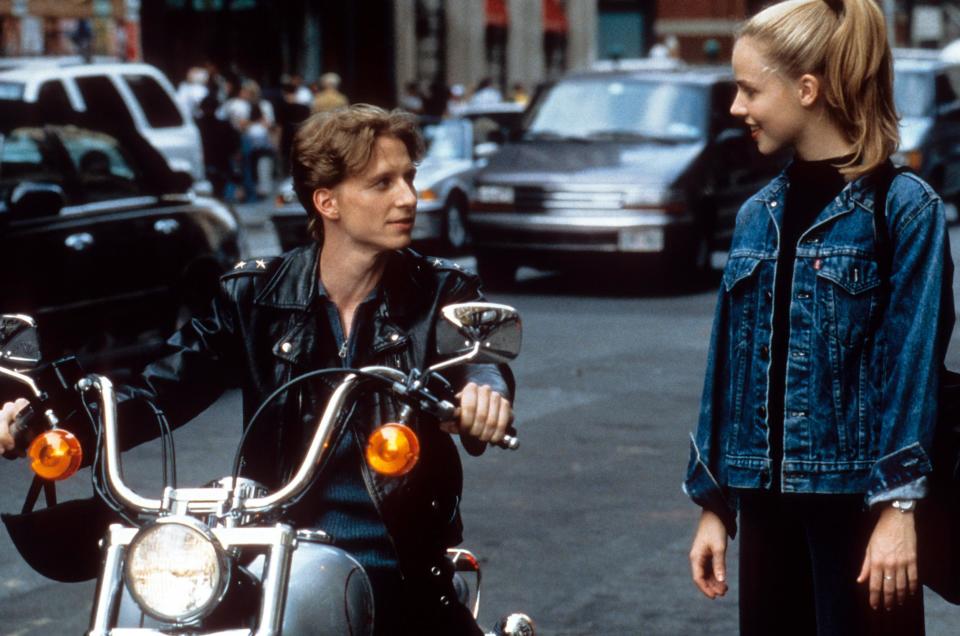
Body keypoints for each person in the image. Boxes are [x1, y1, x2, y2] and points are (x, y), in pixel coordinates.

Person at [0, 104, 514, 636]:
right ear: (327, 201)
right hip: (272, 549)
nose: (407, 197)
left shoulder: (440, 291)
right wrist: (48, 423)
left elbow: (476, 360)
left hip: (399, 564)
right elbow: (161, 391)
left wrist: (483, 392)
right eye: (382, 183)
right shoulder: (255, 295)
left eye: (408, 177)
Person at [684, 1, 954, 634]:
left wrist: (897, 509)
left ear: (807, 89)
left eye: (750, 89)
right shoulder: (757, 214)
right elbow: (726, 370)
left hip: (858, 513)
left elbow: (912, 372)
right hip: (768, 511)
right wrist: (715, 505)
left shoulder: (903, 209)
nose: (736, 108)